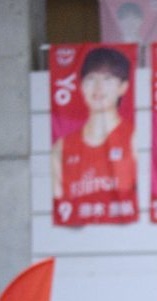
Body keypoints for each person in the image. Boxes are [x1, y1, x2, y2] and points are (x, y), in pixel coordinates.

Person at [51, 47, 137, 223]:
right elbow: (60, 204)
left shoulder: (135, 138)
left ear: (123, 87)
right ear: (81, 85)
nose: (98, 87)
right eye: (91, 78)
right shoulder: (61, 147)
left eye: (107, 79)